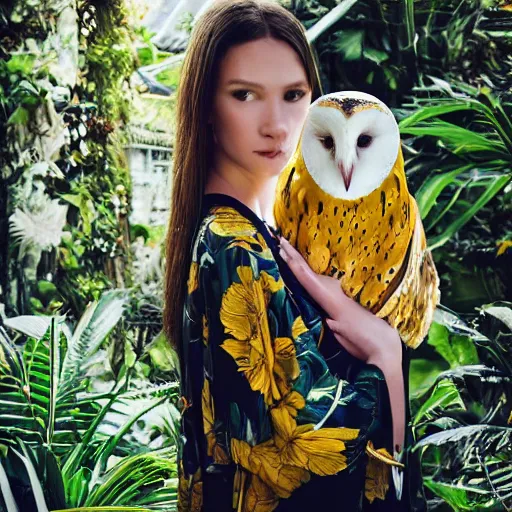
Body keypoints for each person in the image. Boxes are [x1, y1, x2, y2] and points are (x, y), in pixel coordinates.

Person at [163, 1, 426, 510]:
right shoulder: (231, 243)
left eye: (294, 96)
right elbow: (305, 448)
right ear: (205, 107)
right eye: (245, 95)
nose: (278, 124)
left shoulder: (261, 234)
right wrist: (385, 354)